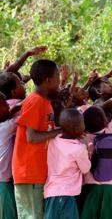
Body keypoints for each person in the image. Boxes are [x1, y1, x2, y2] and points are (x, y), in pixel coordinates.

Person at [12, 59, 62, 219]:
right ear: (48, 80)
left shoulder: (45, 102)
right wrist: (61, 131)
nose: (60, 81)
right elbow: (31, 137)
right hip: (29, 173)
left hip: (37, 172)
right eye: (58, 77)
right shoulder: (35, 101)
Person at [44, 108, 91, 219]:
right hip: (66, 196)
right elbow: (86, 169)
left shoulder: (53, 139)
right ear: (76, 129)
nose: (84, 126)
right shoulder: (78, 149)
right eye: (82, 123)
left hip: (51, 193)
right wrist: (87, 148)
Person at [0, 92, 22, 219]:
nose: (8, 105)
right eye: (4, 103)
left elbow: (12, 110)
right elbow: (22, 118)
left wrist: (16, 107)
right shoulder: (5, 127)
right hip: (2, 186)